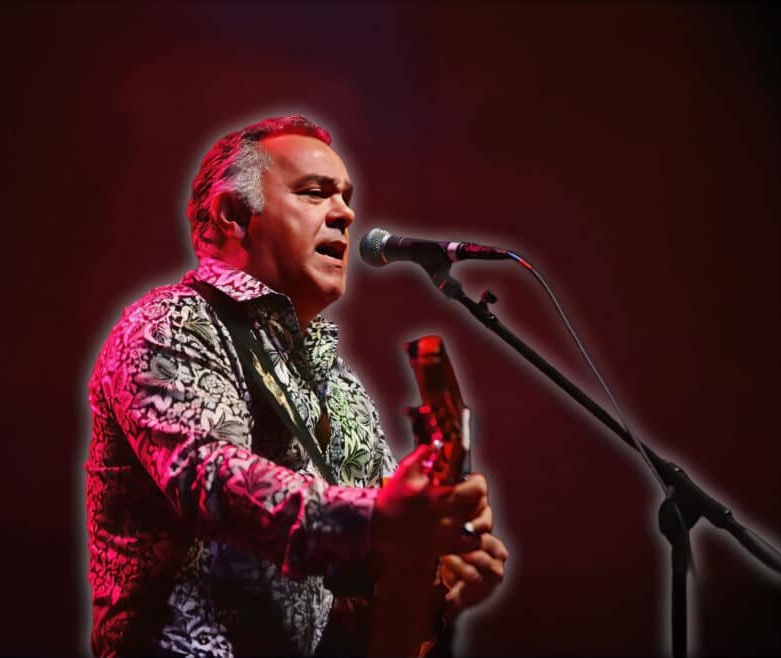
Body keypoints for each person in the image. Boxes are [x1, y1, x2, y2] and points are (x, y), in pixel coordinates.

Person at [85, 115, 508, 657]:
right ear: (233, 215)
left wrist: (439, 574)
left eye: (347, 198)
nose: (346, 213)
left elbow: (373, 581)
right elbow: (209, 478)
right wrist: (383, 519)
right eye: (314, 193)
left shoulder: (343, 387)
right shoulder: (168, 323)